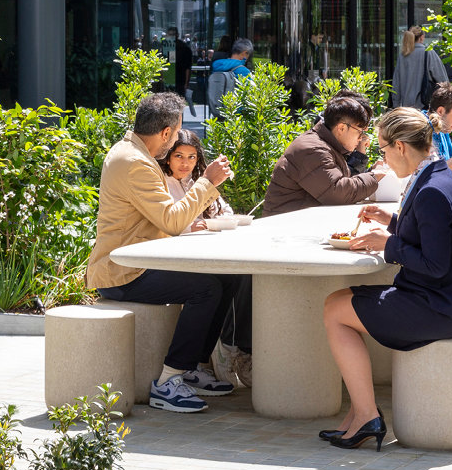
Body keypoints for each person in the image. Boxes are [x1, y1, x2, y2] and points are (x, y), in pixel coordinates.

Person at [318, 107, 452, 450]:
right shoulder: (440, 175)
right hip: (449, 300)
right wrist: (391, 221)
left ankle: (366, 416)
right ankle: (360, 413)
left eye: (383, 149)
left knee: (335, 312)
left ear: (400, 146)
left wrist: (388, 244)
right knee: (337, 301)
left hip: (441, 307)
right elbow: (433, 235)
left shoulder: (432, 189)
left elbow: (435, 264)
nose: (383, 159)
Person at [85, 93, 244, 413]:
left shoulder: (132, 153)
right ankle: (169, 381)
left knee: (227, 278)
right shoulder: (135, 163)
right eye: (175, 136)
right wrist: (207, 182)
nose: (172, 146)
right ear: (167, 132)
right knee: (206, 288)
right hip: (122, 272)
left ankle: (193, 367)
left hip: (137, 263)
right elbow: (172, 221)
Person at [159, 130, 252, 387]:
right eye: (179, 156)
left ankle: (200, 363)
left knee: (234, 279)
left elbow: (224, 211)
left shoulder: (196, 182)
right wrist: (193, 226)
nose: (185, 163)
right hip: (169, 258)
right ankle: (178, 371)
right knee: (208, 288)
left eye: (191, 157)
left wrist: (222, 219)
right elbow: (168, 221)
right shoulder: (161, 183)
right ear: (168, 157)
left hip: (200, 253)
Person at [260, 95, 389, 216]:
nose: (361, 138)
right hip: (285, 226)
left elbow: (341, 182)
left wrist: (370, 172)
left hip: (300, 222)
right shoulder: (312, 150)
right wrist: (373, 177)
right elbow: (337, 193)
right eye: (359, 132)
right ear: (341, 128)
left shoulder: (327, 145)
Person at [390, 25, 450, 111]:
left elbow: (396, 83)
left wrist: (396, 106)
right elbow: (443, 80)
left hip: (406, 108)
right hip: (424, 106)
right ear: (422, 37)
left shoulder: (403, 56)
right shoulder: (428, 53)